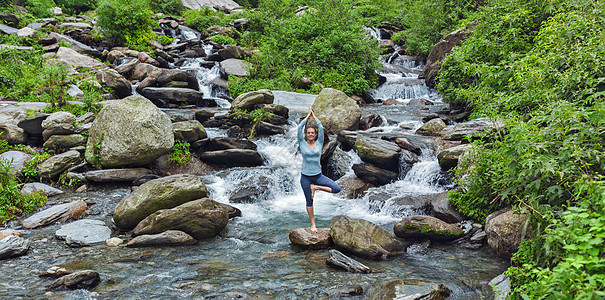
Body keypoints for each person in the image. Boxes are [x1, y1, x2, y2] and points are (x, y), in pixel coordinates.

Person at [298, 106, 341, 232]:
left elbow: (321, 127)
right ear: (306, 134)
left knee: (336, 188)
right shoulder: (302, 142)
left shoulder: (319, 143)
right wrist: (307, 117)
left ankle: (315, 188)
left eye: (312, 133)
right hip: (305, 177)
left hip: (318, 176)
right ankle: (313, 225)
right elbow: (299, 128)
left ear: (315, 134)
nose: (310, 134)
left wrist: (314, 116)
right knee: (309, 201)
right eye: (308, 132)